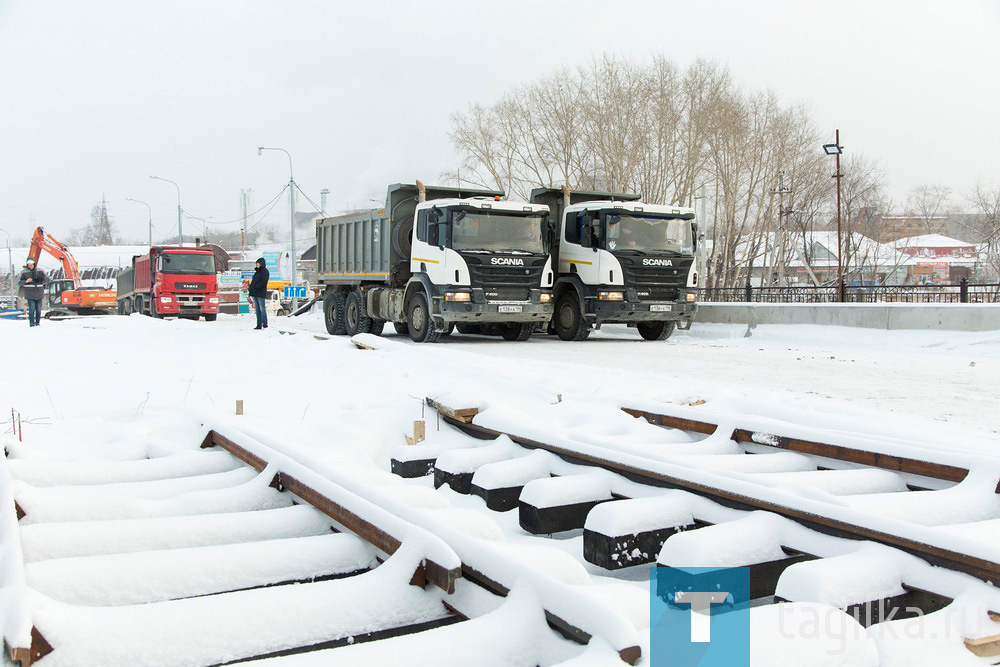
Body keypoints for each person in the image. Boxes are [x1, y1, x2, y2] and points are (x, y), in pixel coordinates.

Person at [17, 258, 48, 327]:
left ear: (34, 264)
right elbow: (19, 282)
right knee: (32, 309)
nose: (30, 266)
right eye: (29, 265)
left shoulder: (40, 271)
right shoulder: (23, 272)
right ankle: (31, 323)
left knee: (38, 310)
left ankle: (37, 323)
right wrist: (26, 281)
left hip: (39, 293)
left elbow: (47, 279)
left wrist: (41, 279)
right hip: (29, 293)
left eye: (31, 265)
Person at [246, 257, 269, 330]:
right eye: (256, 264)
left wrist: (255, 287)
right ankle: (259, 324)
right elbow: (254, 282)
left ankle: (265, 324)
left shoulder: (265, 271)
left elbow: (263, 282)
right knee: (257, 310)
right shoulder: (257, 272)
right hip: (255, 293)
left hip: (260, 293)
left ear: (261, 264)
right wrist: (251, 289)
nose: (257, 265)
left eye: (258, 263)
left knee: (262, 309)